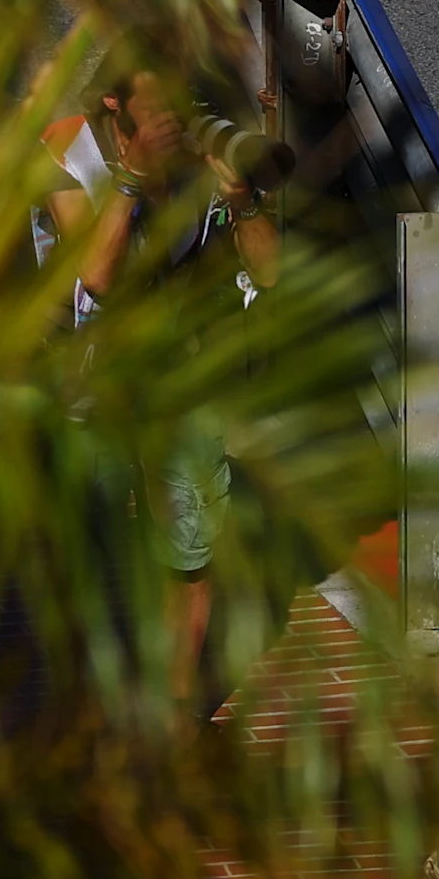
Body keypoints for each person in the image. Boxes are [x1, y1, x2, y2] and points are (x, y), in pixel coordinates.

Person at [39, 68, 288, 707]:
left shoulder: (197, 152)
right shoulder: (63, 150)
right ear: (113, 107)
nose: (174, 119)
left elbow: (270, 269)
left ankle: (175, 713)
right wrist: (132, 177)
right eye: (158, 105)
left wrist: (243, 200)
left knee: (187, 552)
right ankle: (93, 696)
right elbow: (96, 276)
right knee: (91, 547)